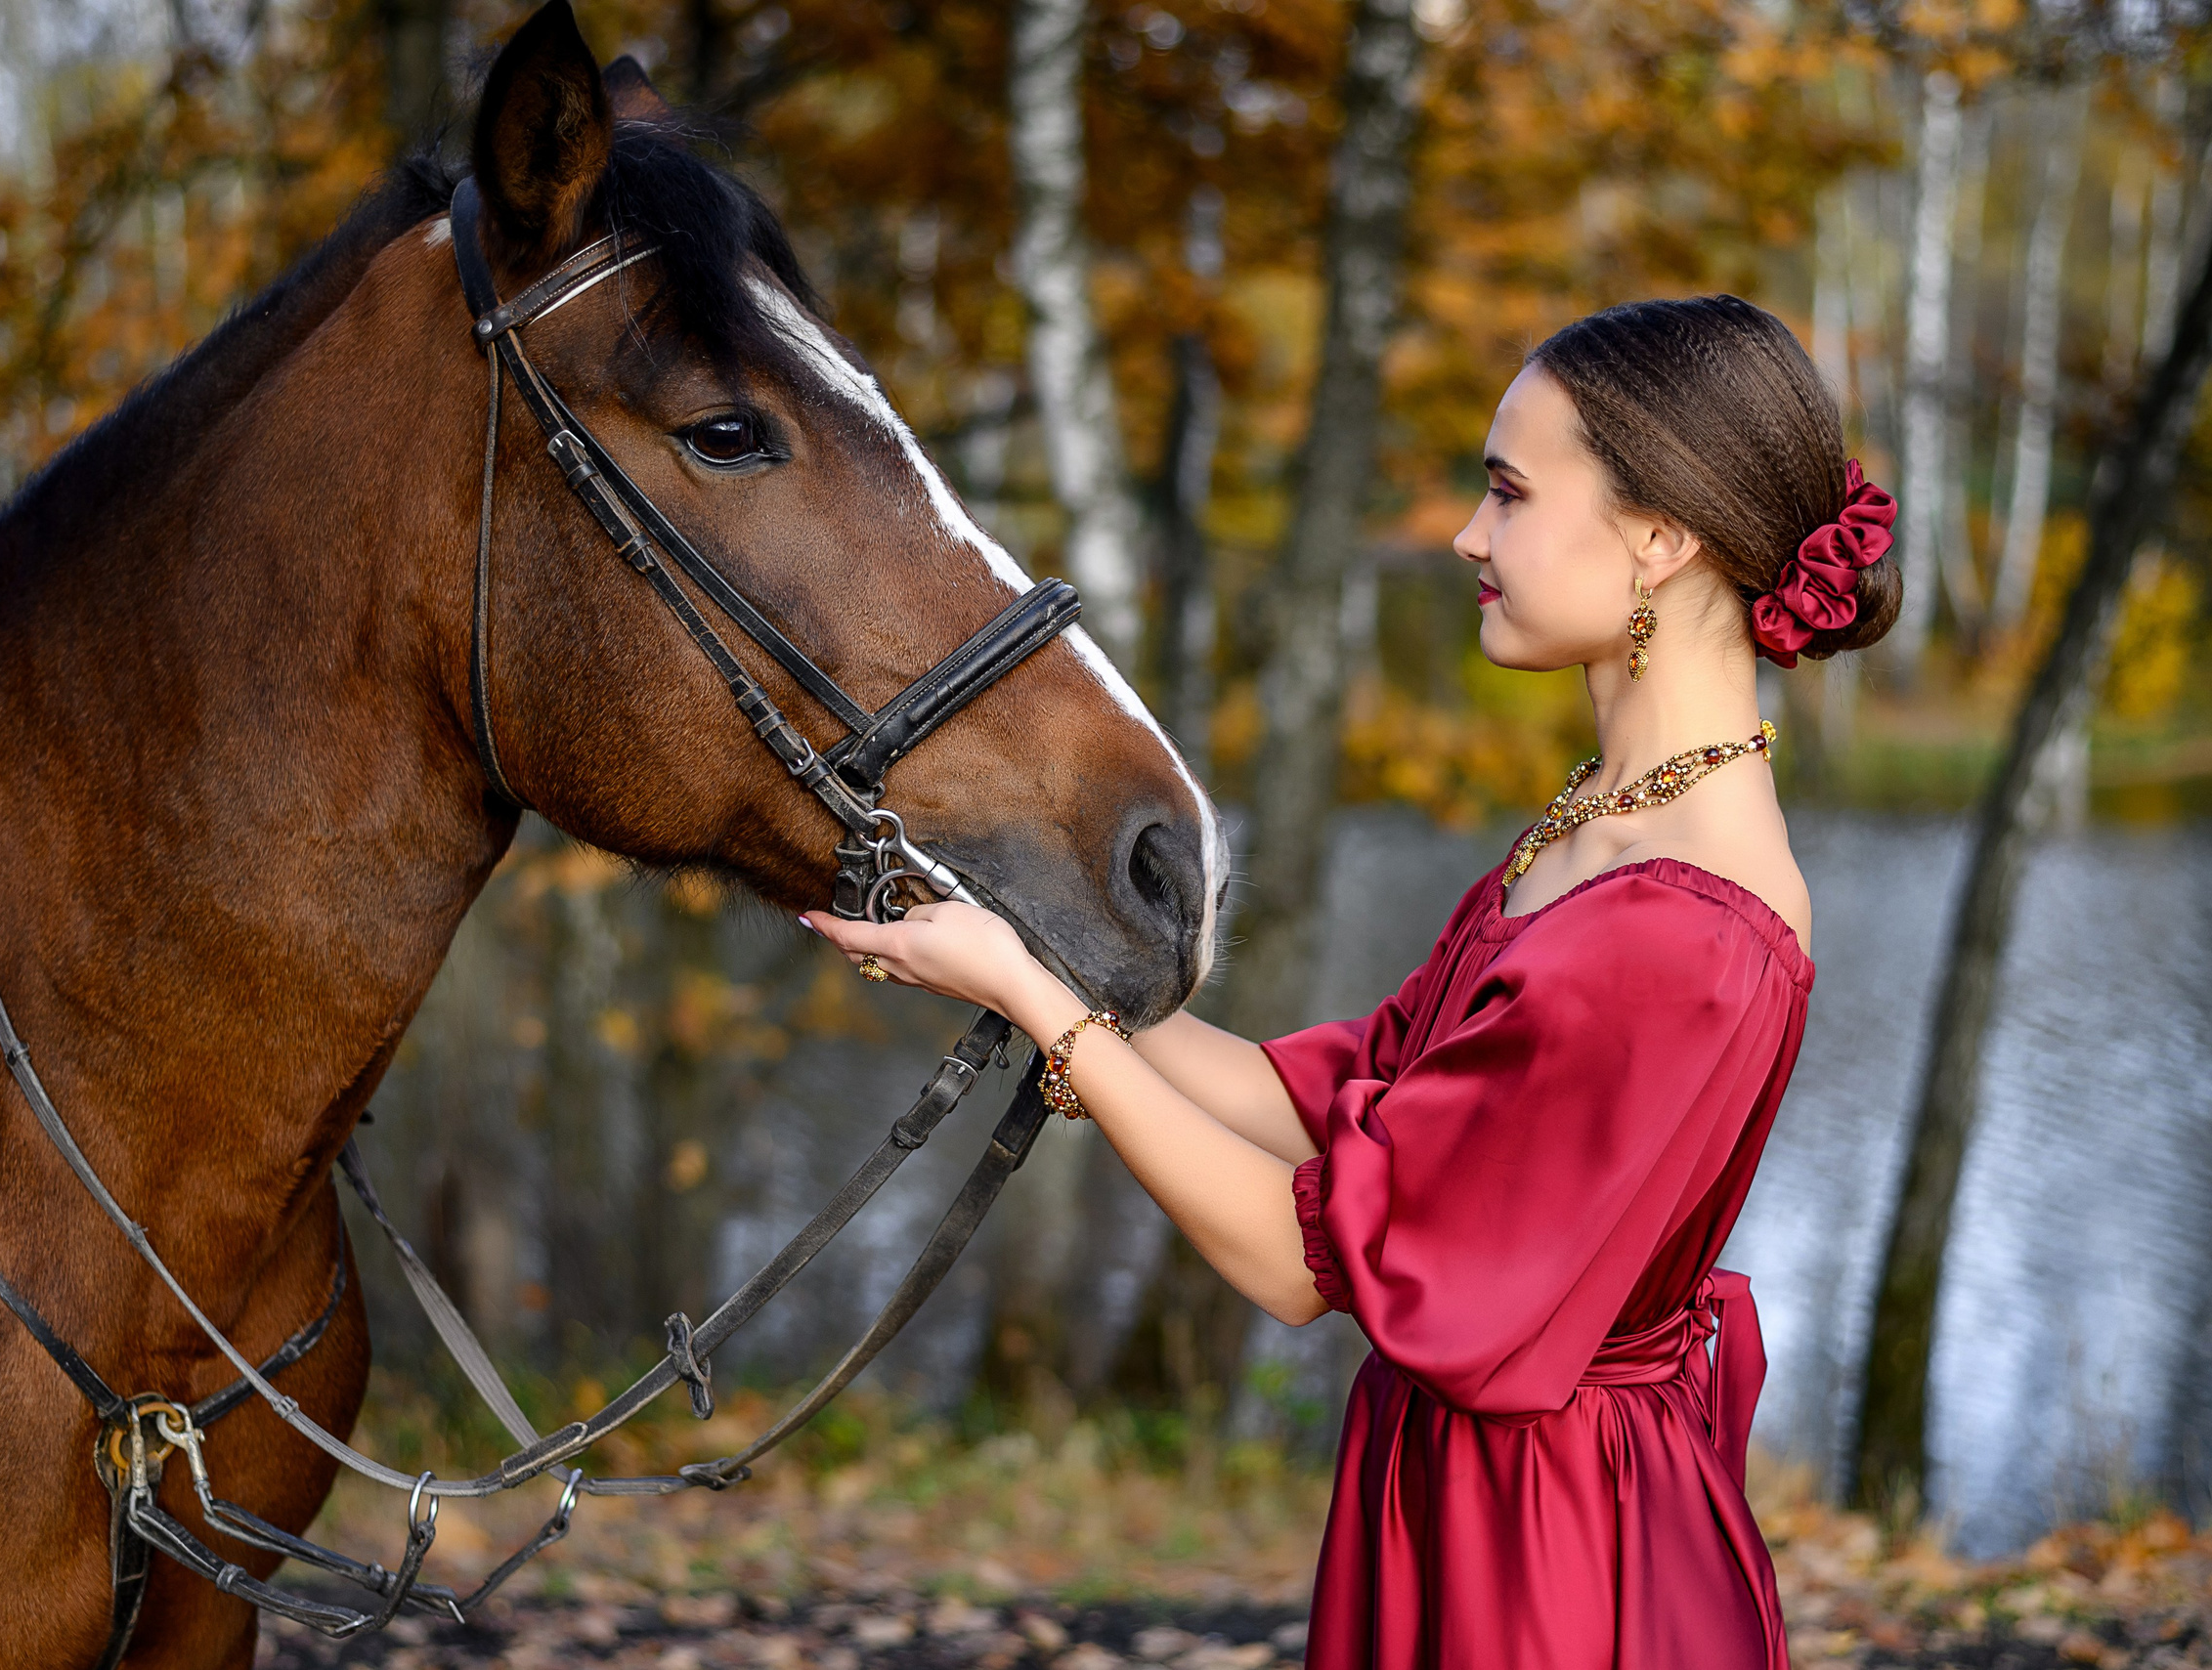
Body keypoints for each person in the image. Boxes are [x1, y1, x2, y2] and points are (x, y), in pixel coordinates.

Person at [804, 294, 1898, 1670]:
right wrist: (1026, 948)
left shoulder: (1679, 923)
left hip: (1553, 1558)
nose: (1466, 535)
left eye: (1507, 493)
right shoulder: (1600, 828)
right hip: (1479, 1500)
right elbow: (1332, 1100)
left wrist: (1044, 1013)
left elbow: (1303, 1255)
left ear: (1662, 535)